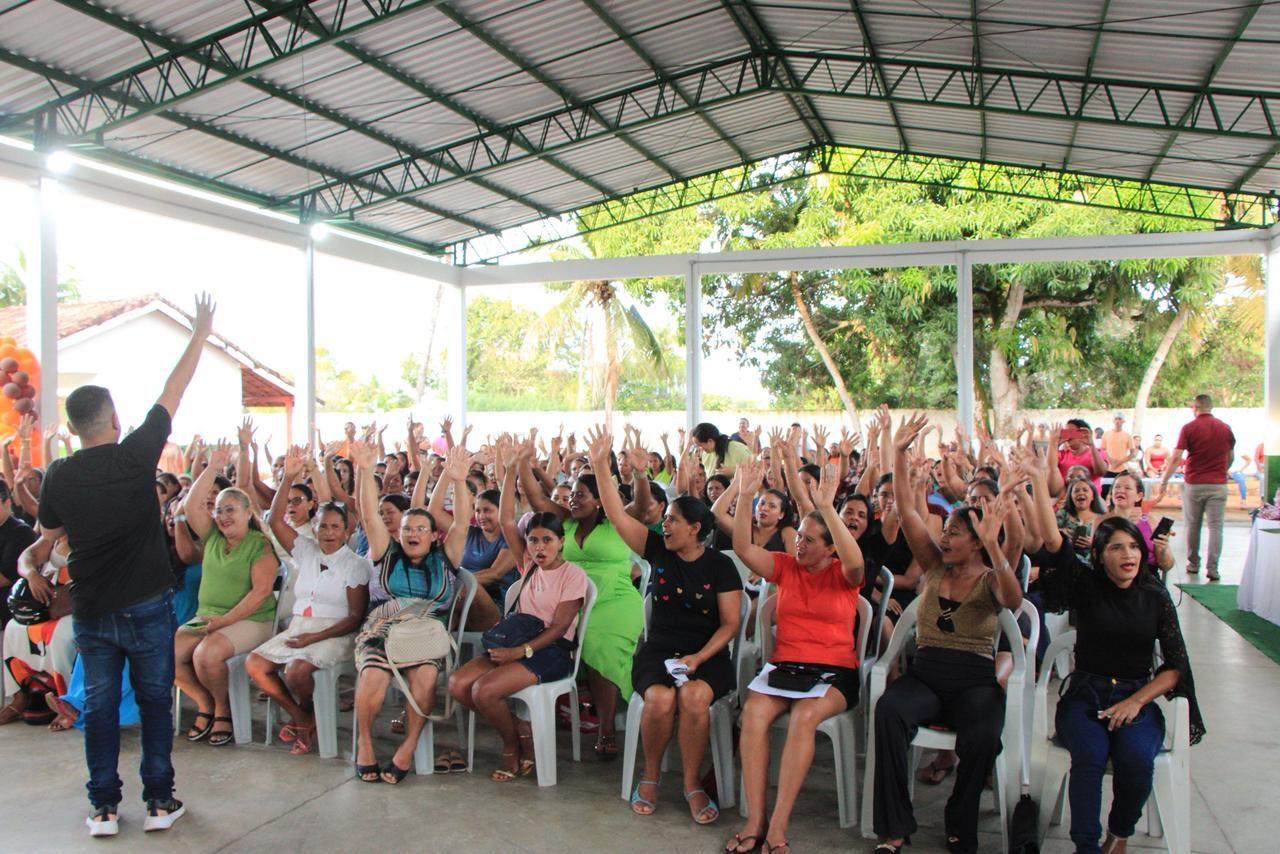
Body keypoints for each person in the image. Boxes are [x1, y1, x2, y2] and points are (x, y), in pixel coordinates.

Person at [18, 293, 215, 836]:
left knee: (100, 710)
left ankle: (103, 808)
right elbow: (172, 392)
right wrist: (199, 332)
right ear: (115, 420)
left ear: (75, 427)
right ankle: (159, 803)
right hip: (147, 606)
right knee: (155, 702)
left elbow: (47, 533)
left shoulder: (58, 475)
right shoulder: (135, 457)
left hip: (93, 610)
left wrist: (33, 563)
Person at [1023, 448, 1203, 854]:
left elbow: (1175, 669)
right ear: (1100, 556)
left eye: (1134, 548)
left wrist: (1136, 702)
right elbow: (1054, 540)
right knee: (1088, 756)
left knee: (1137, 760)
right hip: (1085, 695)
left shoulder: (1155, 598)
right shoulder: (1086, 587)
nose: (1128, 556)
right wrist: (1037, 479)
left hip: (1135, 696)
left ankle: (1118, 834)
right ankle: (1085, 846)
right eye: (1117, 549)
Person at [872, 413, 1024, 854]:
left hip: (974, 680)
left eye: (955, 533)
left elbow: (1012, 601)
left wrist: (996, 546)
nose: (945, 537)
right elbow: (904, 509)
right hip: (927, 675)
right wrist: (898, 455)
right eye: (947, 531)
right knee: (889, 711)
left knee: (983, 734)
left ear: (976, 542)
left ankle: (960, 819)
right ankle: (895, 827)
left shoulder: (991, 575)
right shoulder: (935, 565)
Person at [587, 432, 741, 824]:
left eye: (672, 520)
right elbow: (618, 513)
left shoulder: (721, 566)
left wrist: (699, 658)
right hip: (659, 651)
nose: (664, 526)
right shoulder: (657, 550)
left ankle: (691, 783)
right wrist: (601, 465)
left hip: (708, 654)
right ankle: (651, 775)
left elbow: (730, 624)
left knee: (692, 698)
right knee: (658, 700)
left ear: (695, 528)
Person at [726, 459, 864, 854]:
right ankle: (755, 818)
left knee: (804, 717)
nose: (800, 544)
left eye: (810, 540)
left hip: (834, 672)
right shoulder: (786, 568)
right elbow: (741, 547)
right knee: (752, 713)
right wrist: (746, 492)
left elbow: (854, 561)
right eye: (799, 537)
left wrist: (827, 506)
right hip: (786, 668)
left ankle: (778, 827)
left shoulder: (844, 573)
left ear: (830, 546)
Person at [448, 443, 588, 783]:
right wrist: (509, 470)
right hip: (517, 640)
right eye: (534, 541)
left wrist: (520, 652)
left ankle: (512, 745)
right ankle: (518, 733)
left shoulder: (574, 575)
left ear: (561, 543)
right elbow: (508, 518)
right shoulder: (528, 565)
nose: (539, 548)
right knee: (458, 684)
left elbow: (558, 629)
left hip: (550, 652)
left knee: (484, 691)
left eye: (547, 541)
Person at [350, 442, 469, 785]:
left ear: (433, 536)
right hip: (382, 631)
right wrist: (363, 471)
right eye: (407, 529)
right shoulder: (385, 552)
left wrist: (458, 480)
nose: (413, 534)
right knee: (373, 676)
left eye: (420, 529)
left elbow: (462, 522)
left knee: (427, 677)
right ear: (398, 534)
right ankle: (364, 743)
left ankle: (409, 745)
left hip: (426, 634)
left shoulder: (445, 557)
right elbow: (369, 513)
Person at [518, 440, 643, 761]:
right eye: (571, 493)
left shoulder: (619, 520)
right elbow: (536, 498)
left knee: (596, 642)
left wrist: (636, 472)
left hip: (614, 602)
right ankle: (569, 708)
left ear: (600, 501)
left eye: (581, 494)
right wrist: (520, 462)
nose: (573, 499)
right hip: (570, 599)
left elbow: (642, 505)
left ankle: (605, 727)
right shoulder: (566, 522)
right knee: (554, 637)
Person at [246, 447, 372, 756]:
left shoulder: (355, 564)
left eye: (335, 527)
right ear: (313, 528)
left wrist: (314, 637)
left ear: (346, 531)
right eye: (323, 526)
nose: (328, 532)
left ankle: (307, 716)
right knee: (255, 664)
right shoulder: (305, 550)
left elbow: (356, 616)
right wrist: (288, 477)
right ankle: (303, 715)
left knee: (296, 672)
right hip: (300, 627)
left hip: (336, 632)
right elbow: (275, 520)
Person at [174, 444, 280, 747]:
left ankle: (223, 710)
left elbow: (260, 593)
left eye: (230, 509)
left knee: (205, 654)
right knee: (166, 657)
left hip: (250, 618)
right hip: (208, 618)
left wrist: (223, 621)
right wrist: (212, 468)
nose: (222, 516)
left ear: (248, 513)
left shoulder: (259, 544)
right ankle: (205, 703)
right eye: (219, 510)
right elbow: (192, 506)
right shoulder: (213, 537)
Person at [1156, 394, 1235, 580]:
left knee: (1193, 525)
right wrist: (1222, 470)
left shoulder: (1189, 428)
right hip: (1218, 484)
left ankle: (1193, 564)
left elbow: (1176, 458)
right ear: (1211, 407)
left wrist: (1165, 480)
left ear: (1195, 408)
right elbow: (1231, 455)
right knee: (1216, 527)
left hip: (1195, 483)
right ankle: (1213, 568)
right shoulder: (1225, 428)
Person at [1099, 413, 1135, 499]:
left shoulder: (1127, 436)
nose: (1117, 421)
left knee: (1122, 493)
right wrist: (1109, 459)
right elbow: (1102, 450)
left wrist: (1119, 462)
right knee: (1104, 492)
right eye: (1116, 419)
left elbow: (1133, 453)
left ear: (1123, 421)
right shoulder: (1106, 434)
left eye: (1119, 419)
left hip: (1122, 469)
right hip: (1108, 469)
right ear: (1113, 420)